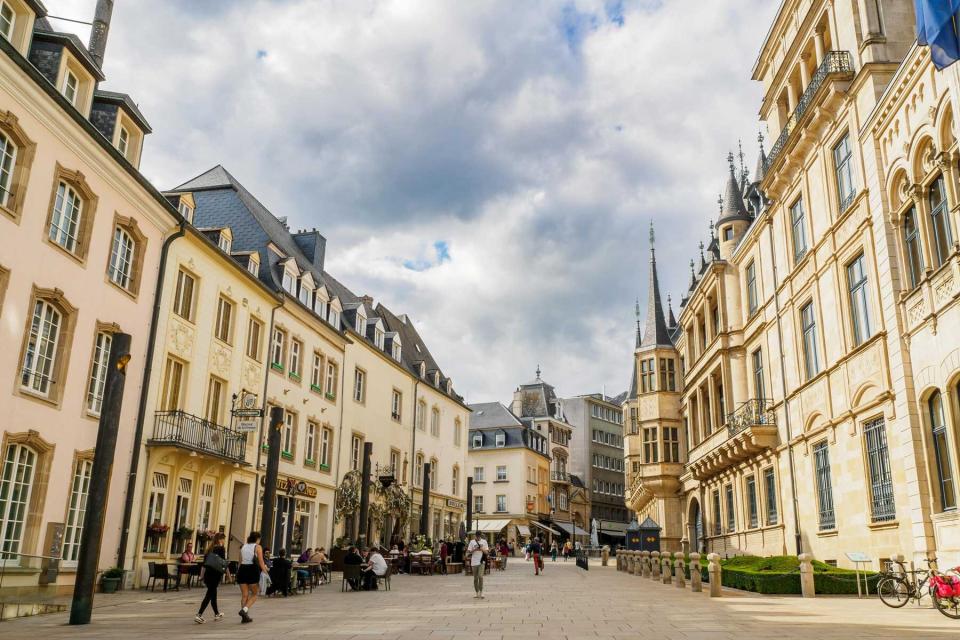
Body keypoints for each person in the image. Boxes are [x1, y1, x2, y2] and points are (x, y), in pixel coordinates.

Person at [237, 532, 268, 624]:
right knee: (255, 593)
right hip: (252, 570)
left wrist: (239, 572)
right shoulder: (257, 547)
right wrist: (266, 572)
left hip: (242, 569)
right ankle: (245, 610)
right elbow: (261, 562)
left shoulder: (243, 547)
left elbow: (240, 562)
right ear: (257, 538)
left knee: (244, 595)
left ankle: (244, 617)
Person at [195, 533, 227, 624]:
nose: (224, 541)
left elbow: (204, 565)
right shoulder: (221, 549)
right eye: (224, 539)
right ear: (220, 539)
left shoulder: (209, 549)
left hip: (208, 575)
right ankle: (199, 614)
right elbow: (223, 562)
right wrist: (228, 575)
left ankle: (216, 613)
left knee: (213, 594)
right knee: (209, 594)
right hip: (215, 574)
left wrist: (201, 576)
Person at [466, 531, 489, 599]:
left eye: (479, 536)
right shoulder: (472, 542)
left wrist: (482, 549)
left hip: (481, 561)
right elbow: (469, 552)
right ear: (475, 535)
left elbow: (487, 552)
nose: (478, 537)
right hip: (474, 562)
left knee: (480, 576)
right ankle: (477, 592)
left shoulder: (484, 542)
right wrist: (474, 549)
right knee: (475, 578)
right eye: (477, 536)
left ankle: (481, 592)